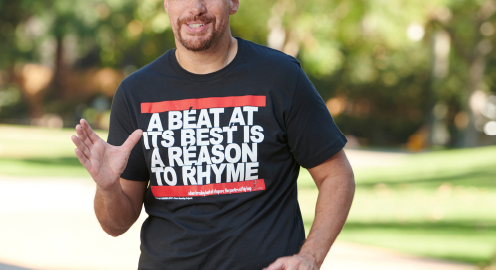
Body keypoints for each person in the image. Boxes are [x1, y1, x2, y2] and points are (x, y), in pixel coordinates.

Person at [71, 0, 355, 269]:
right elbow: (116, 225)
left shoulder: (280, 77)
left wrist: (310, 257)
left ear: (233, 3)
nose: (196, 8)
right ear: (167, 4)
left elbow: (336, 175)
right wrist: (108, 187)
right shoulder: (136, 92)